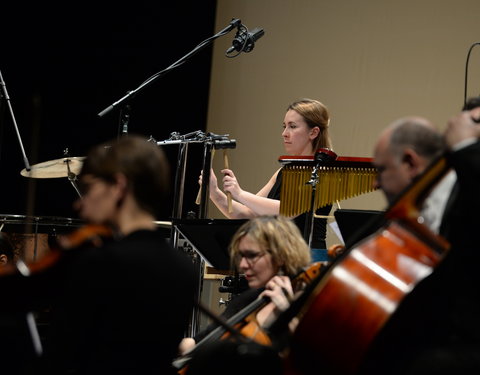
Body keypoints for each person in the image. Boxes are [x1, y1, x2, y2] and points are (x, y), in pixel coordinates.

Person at [0, 135, 197, 375]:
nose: (80, 203)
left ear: (118, 186)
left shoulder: (99, 262)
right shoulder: (184, 268)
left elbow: (61, 356)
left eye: (89, 187)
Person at [202, 99, 333, 250]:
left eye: (292, 126)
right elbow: (248, 214)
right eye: (284, 126)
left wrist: (239, 193)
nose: (284, 134)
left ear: (313, 132)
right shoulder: (283, 171)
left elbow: (289, 211)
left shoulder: (322, 171)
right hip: (279, 255)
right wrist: (214, 192)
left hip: (308, 259)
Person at [177, 215, 313, 361]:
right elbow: (200, 342)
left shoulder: (310, 302)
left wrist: (287, 315)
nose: (242, 265)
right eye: (241, 256)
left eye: (252, 255)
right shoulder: (249, 299)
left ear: (281, 255)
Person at [373, 116, 456, 236]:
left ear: (410, 164)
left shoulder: (467, 209)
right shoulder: (421, 211)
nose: (375, 184)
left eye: (381, 170)